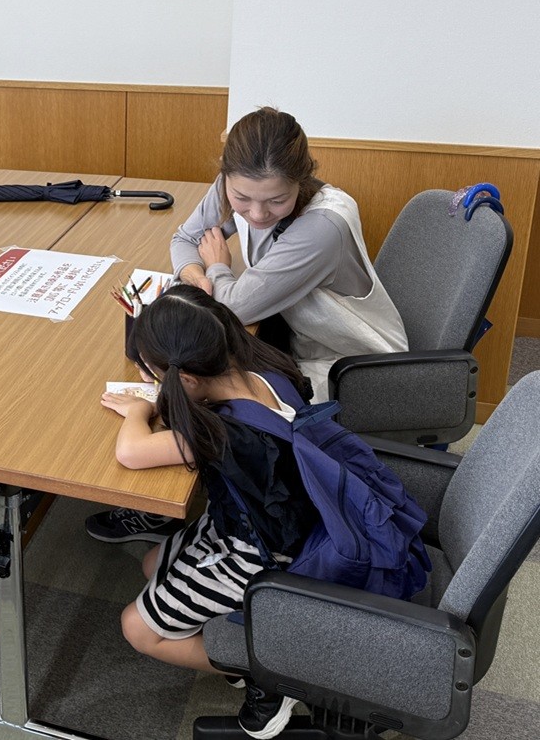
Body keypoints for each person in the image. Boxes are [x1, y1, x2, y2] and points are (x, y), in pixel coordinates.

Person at [87, 106, 408, 545]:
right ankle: (195, 506)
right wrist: (194, 276)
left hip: (348, 363)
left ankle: (207, 518)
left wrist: (217, 269)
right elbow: (184, 239)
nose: (256, 214)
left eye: (276, 200)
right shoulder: (231, 185)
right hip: (291, 339)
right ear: (226, 177)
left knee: (214, 402)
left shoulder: (323, 226)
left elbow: (234, 308)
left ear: (301, 179)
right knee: (195, 381)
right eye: (242, 198)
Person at [100, 286, 320, 739]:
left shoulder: (222, 431)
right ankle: (243, 644)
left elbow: (132, 452)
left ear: (188, 379)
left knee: (138, 628)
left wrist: (137, 412)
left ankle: (270, 673)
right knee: (150, 563)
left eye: (158, 374)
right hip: (269, 522)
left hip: (262, 552)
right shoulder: (263, 370)